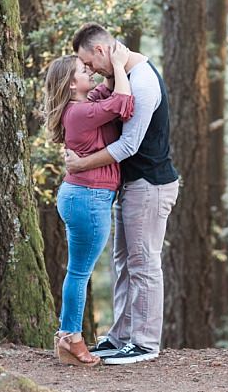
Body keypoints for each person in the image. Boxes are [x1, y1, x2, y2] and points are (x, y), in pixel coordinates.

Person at [65, 23, 179, 365]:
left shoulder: (142, 82)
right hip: (131, 186)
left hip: (150, 183)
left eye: (90, 63)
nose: (91, 72)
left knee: (144, 262)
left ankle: (144, 343)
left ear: (102, 51)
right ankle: (121, 336)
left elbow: (128, 145)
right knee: (124, 263)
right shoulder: (121, 76)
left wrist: (81, 164)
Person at [43, 42, 133, 366]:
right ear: (71, 84)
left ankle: (67, 336)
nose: (90, 71)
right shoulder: (80, 113)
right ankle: (72, 339)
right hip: (88, 198)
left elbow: (106, 95)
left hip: (81, 196)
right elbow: (123, 103)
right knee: (79, 273)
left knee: (76, 271)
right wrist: (121, 64)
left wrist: (110, 70)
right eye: (83, 70)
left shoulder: (81, 106)